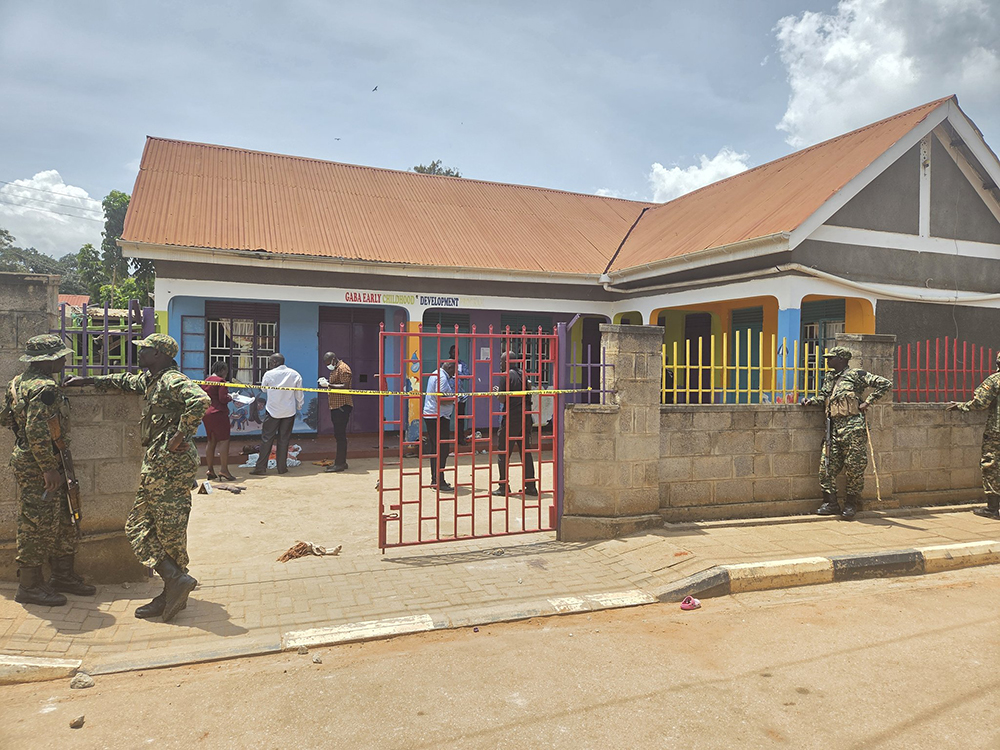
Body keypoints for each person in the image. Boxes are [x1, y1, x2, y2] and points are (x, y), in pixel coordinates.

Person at [64, 333, 209, 622]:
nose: (139, 353)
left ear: (160, 354)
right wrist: (87, 381)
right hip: (156, 467)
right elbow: (123, 380)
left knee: (170, 532)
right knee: (137, 526)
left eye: (145, 350)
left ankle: (173, 589)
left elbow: (200, 399)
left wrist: (180, 434)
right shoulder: (151, 380)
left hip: (171, 466)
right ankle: (174, 580)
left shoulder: (171, 379)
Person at [1, 335, 96, 607]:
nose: (64, 360)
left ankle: (62, 576)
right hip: (41, 466)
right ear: (45, 360)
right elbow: (36, 431)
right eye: (59, 356)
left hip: (44, 460)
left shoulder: (18, 383)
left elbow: (5, 417)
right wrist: (48, 469)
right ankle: (29, 586)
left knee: (65, 517)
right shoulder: (44, 389)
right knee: (35, 524)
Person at [800, 346, 892, 520]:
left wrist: (868, 402)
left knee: (854, 468)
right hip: (833, 429)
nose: (827, 360)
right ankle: (830, 503)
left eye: (831, 358)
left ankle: (851, 504)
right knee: (826, 467)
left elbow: (885, 383)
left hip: (853, 428)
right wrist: (811, 401)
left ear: (841, 359)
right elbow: (825, 397)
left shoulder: (856, 375)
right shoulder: (829, 377)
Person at [947, 351, 1000, 519]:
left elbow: (980, 403)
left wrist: (961, 406)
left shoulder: (995, 380)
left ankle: (992, 508)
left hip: (996, 431)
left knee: (991, 466)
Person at [492, 352, 537, 497]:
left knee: (503, 452)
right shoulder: (523, 374)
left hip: (511, 418)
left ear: (506, 361)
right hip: (526, 417)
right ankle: (531, 486)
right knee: (526, 452)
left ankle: (503, 486)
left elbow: (502, 399)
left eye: (501, 360)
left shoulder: (505, 376)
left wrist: (496, 393)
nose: (500, 363)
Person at [251, 353, 303, 475]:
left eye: (270, 362)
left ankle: (261, 468)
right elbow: (299, 393)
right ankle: (282, 468)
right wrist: (299, 405)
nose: (269, 364)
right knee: (284, 440)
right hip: (289, 411)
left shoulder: (269, 374)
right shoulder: (295, 374)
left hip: (273, 411)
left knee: (266, 439)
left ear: (274, 362)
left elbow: (263, 389)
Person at [423, 360, 456, 491]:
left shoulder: (436, 374)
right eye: (454, 370)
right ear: (448, 367)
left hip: (434, 415)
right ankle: (439, 481)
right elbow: (441, 398)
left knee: (436, 449)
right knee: (442, 449)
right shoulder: (442, 377)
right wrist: (455, 398)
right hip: (438, 417)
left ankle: (435, 479)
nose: (455, 373)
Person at [202, 361, 235, 481]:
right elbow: (222, 399)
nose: (226, 374)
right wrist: (231, 397)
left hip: (207, 413)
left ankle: (210, 469)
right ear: (222, 371)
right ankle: (224, 470)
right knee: (224, 441)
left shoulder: (206, 381)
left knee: (211, 441)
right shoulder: (221, 382)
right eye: (225, 371)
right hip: (218, 413)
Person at [319, 351, 352, 473]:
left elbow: (345, 386)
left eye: (328, 363)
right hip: (336, 406)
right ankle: (341, 461)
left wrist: (328, 385)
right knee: (339, 435)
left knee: (340, 436)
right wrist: (328, 383)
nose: (328, 366)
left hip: (342, 406)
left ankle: (340, 464)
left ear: (334, 360)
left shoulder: (343, 369)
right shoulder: (336, 369)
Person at [449, 345, 471, 445]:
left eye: (457, 352)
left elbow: (467, 376)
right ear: (450, 353)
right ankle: (444, 439)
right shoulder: (446, 363)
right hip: (448, 394)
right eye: (453, 352)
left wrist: (458, 373)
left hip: (460, 394)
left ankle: (460, 438)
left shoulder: (462, 364)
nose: (455, 354)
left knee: (460, 418)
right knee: (445, 417)